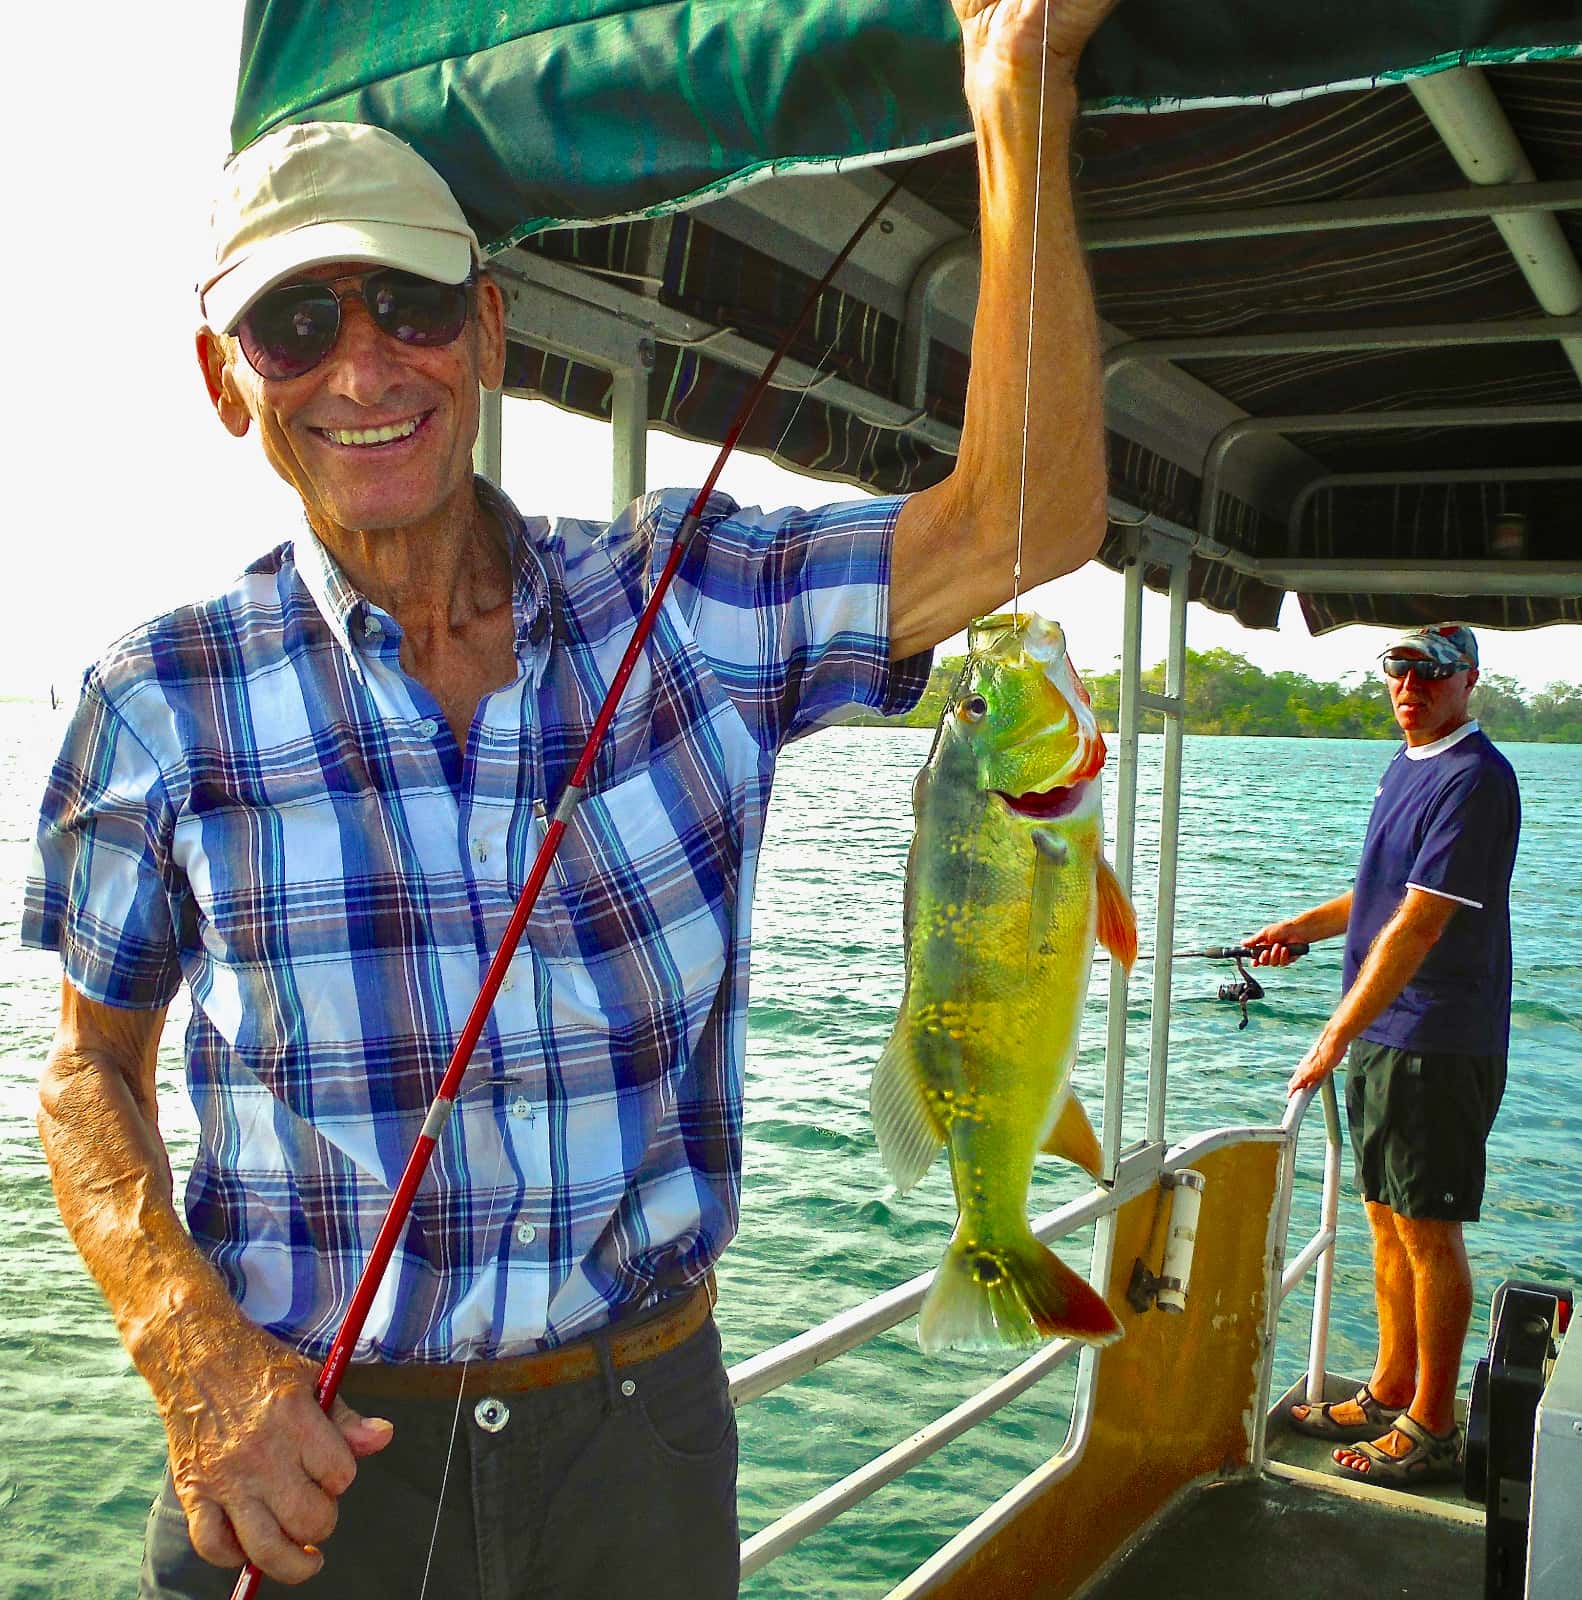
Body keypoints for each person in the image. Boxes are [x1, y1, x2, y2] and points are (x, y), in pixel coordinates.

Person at [25, 3, 1121, 1594]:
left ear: (488, 333)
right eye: (294, 327)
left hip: (638, 1447)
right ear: (222, 377)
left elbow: (1025, 524)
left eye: (407, 306)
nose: (363, 368)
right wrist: (190, 1353)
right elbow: (83, 1080)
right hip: (310, 1455)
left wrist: (1017, 83)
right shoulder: (155, 699)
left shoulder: (684, 600)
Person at [1249, 622, 1519, 1487]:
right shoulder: (1407, 767)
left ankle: (1433, 1423)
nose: (1409, 687)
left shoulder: (1478, 780)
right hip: (1384, 1032)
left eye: (1429, 673)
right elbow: (1382, 893)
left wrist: (1333, 1033)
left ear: (1467, 680)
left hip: (1435, 1038)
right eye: (1396, 670)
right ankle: (1390, 1385)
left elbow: (1423, 921)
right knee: (1382, 1219)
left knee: (1429, 1233)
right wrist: (1306, 925)